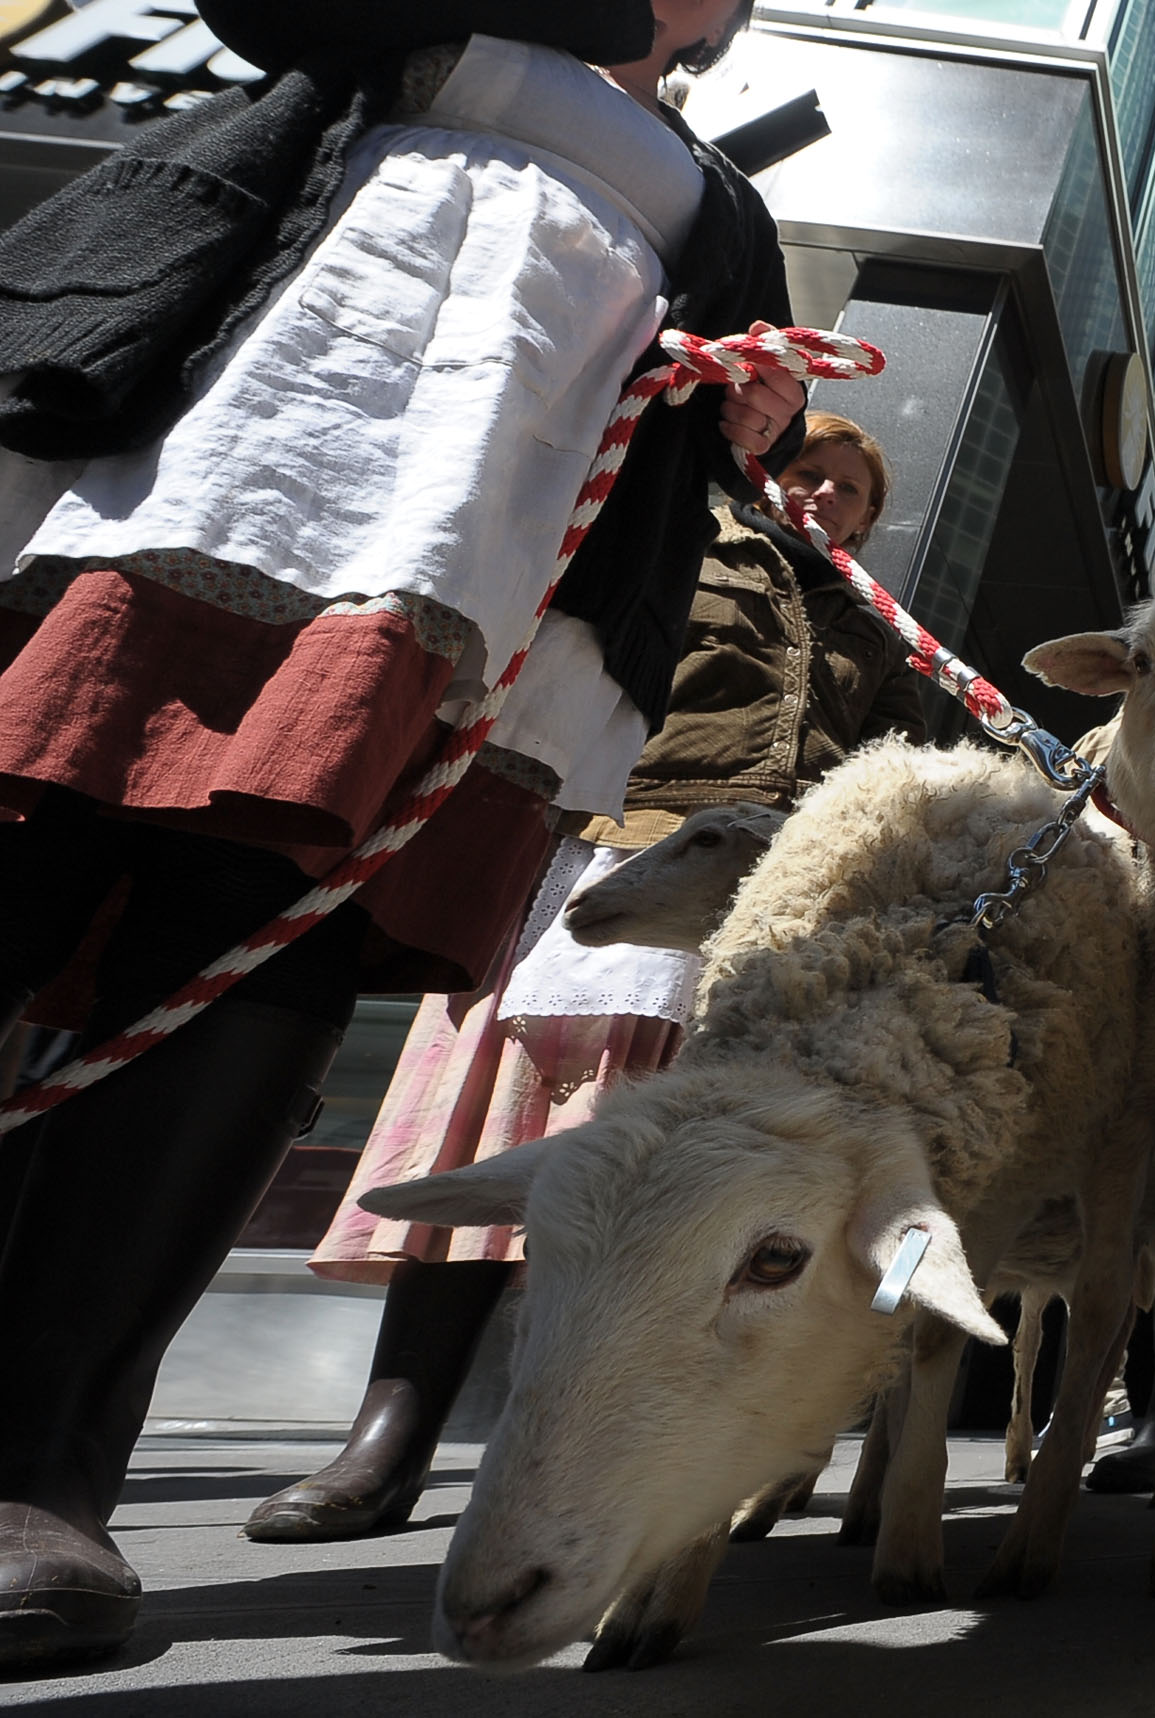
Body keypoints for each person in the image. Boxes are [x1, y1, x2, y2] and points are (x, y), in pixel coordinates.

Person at [0, 0, 809, 1670]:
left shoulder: (713, 195)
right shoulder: (419, 14)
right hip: (208, 495)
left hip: (475, 609)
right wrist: (585, 1)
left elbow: (722, 404)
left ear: (734, 15)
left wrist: (750, 408)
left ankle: (43, 1464)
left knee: (242, 978)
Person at [243, 415, 928, 1542]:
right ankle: (391, 1443)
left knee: (693, 1207)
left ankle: (627, 1462)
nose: (826, 498)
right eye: (809, 472)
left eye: (852, 492)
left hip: (781, 912)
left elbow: (892, 766)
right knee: (500, 1144)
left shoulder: (875, 626)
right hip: (632, 853)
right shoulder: (692, 532)